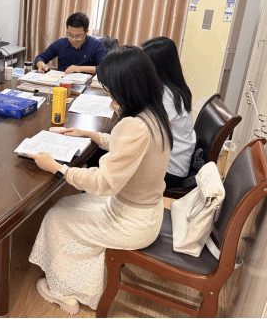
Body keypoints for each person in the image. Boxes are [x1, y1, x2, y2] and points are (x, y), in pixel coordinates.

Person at [26, 46, 173, 315]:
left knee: (57, 216)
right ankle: (82, 278)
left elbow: (103, 183)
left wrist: (57, 168)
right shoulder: (154, 114)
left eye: (110, 90)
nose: (109, 97)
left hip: (132, 220)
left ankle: (64, 292)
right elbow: (126, 149)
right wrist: (89, 134)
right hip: (145, 210)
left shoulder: (135, 125)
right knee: (67, 206)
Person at [142, 36, 196, 189]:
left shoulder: (166, 97)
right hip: (176, 159)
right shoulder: (173, 88)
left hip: (170, 170)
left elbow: (145, 128)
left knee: (106, 157)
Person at [34, 12, 108, 75]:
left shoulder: (97, 45)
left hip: (87, 84)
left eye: (78, 36)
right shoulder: (60, 43)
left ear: (86, 32)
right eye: (70, 35)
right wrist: (41, 64)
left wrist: (79, 68)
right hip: (62, 82)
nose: (73, 40)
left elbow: (106, 68)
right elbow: (40, 57)